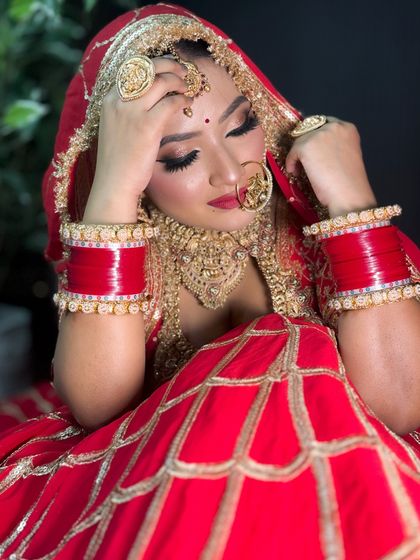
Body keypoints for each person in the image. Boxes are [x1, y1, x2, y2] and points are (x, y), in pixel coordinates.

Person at [0, 3, 419, 558]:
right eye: (180, 157)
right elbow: (99, 408)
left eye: (241, 125)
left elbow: (402, 404)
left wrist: (351, 203)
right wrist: (114, 191)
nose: (229, 172)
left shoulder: (313, 216)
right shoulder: (131, 246)